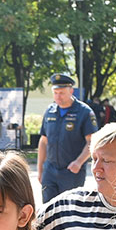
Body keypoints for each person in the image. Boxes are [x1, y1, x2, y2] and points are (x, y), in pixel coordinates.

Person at [37, 73, 98, 201]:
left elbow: (91, 142)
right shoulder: (50, 111)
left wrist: (79, 162)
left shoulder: (84, 112)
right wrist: (40, 168)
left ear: (71, 91)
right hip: (50, 170)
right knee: (48, 208)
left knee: (69, 208)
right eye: (55, 93)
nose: (58, 96)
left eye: (62, 93)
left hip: (72, 171)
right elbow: (43, 141)